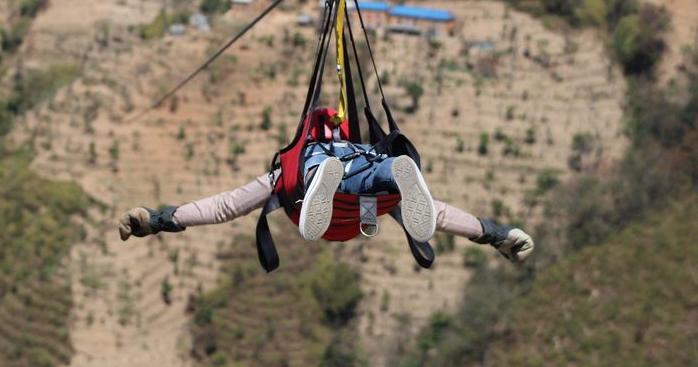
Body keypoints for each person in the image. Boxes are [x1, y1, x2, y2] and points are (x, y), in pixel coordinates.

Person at [118, 143, 535, 265]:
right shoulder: (362, 144)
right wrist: (496, 234)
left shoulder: (287, 169)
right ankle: (393, 175)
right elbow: (438, 214)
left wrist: (159, 220)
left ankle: (324, 179)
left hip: (316, 187)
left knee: (319, 177)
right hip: (364, 196)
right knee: (384, 176)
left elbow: (227, 206)